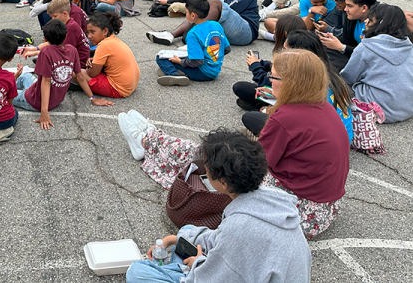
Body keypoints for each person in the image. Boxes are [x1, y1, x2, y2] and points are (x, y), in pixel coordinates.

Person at [121, 49, 349, 239]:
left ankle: (147, 140)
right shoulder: (322, 107)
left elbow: (253, 164)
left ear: (292, 83)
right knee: (217, 151)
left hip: (294, 210)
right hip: (323, 209)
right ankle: (151, 138)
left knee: (212, 155)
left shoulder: (287, 117)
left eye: (274, 77)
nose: (270, 80)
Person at [124, 130, 311, 283]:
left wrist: (197, 264)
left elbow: (220, 276)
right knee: (188, 231)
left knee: (137, 272)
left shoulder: (239, 226)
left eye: (207, 169)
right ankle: (179, 263)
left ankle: (178, 269)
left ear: (222, 182)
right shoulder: (272, 200)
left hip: (236, 272)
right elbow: (224, 240)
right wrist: (173, 239)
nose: (204, 172)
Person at [241, 30, 354, 145]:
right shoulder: (324, 73)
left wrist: (270, 110)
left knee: (251, 118)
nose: (281, 52)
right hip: (340, 136)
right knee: (244, 90)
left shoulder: (309, 84)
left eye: (285, 49)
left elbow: (296, 115)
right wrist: (273, 94)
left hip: (324, 141)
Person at [340, 4, 413, 123]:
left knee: (340, 84)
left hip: (378, 111)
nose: (366, 21)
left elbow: (347, 77)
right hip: (408, 109)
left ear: (380, 23)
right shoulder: (408, 45)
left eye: (371, 19)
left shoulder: (367, 46)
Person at [232, 15, 306, 111]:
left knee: (240, 87)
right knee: (247, 90)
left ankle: (264, 107)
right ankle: (261, 104)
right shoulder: (302, 50)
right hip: (286, 94)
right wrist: (263, 63)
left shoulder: (290, 58)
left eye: (277, 30)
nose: (274, 32)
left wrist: (255, 66)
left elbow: (268, 83)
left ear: (285, 34)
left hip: (286, 99)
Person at [156, 0, 231, 86]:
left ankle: (174, 74)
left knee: (160, 57)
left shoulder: (193, 33)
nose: (185, 14)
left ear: (193, 15)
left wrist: (180, 62)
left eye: (186, 12)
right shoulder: (216, 25)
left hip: (202, 73)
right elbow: (227, 49)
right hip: (215, 71)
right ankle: (178, 71)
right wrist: (212, 59)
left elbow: (197, 61)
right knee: (189, 54)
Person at [79, 12, 140, 98]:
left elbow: (91, 74)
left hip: (120, 89)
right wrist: (93, 62)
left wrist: (89, 67)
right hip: (131, 85)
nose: (89, 36)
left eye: (92, 32)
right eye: (88, 32)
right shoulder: (113, 40)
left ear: (105, 31)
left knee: (78, 73)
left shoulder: (103, 45)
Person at [318, 0, 376, 71]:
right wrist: (331, 38)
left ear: (364, 8)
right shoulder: (352, 17)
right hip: (354, 53)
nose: (345, 9)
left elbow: (371, 53)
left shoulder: (377, 22)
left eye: (349, 6)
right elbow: (347, 39)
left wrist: (341, 47)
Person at [264, 0, 336, 35]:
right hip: (305, 25)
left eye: (323, 1)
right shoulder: (304, 0)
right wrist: (312, 11)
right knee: (268, 22)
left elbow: (309, 29)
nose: (320, 4)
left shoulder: (331, 2)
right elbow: (306, 25)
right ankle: (286, 37)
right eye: (315, 2)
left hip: (316, 32)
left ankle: (282, 37)